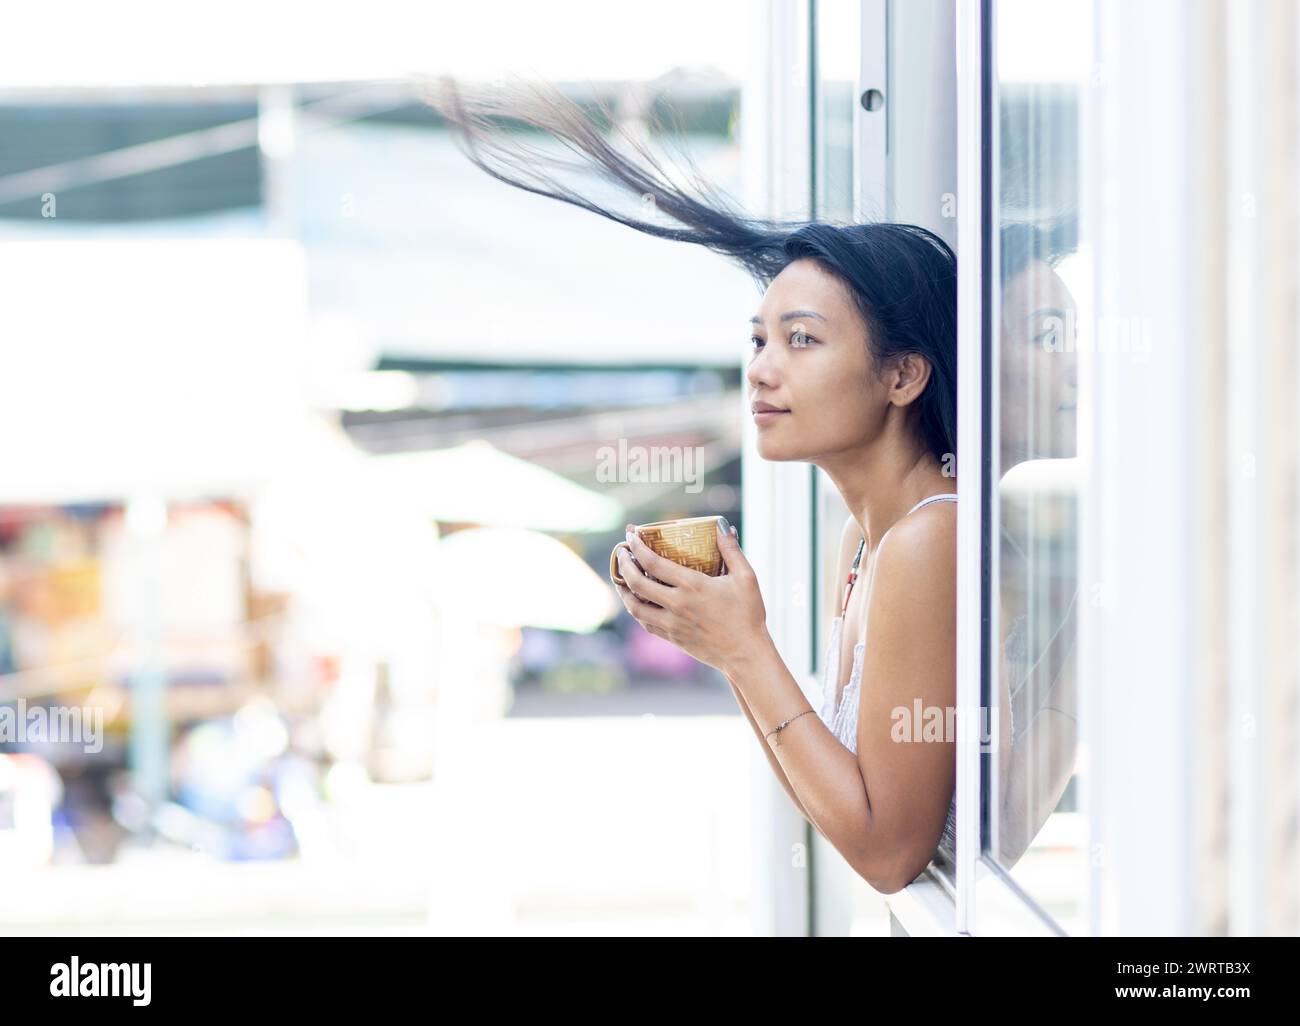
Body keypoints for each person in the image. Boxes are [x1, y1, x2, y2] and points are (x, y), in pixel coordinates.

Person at [428, 77, 959, 894]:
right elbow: (835, 799)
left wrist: (744, 648)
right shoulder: (861, 540)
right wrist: (717, 640)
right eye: (757, 339)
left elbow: (889, 853)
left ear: (903, 374)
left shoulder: (931, 538)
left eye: (802, 340)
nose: (762, 369)